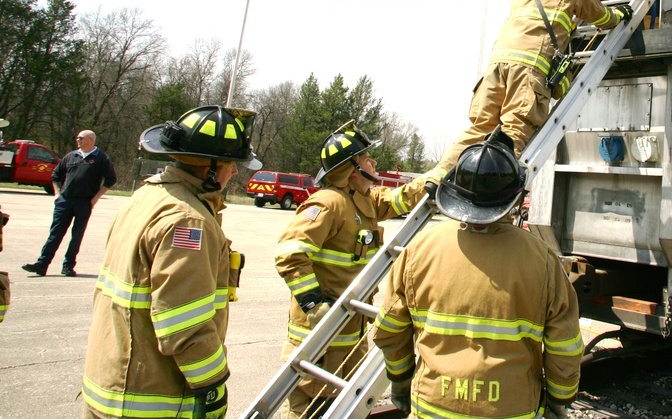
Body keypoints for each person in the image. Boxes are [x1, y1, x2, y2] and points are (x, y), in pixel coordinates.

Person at [374, 129, 584, 419]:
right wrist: (560, 400)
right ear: (514, 195)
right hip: (512, 411)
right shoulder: (543, 259)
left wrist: (400, 382)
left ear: (455, 191)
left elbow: (389, 329)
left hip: (432, 408)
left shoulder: (418, 249)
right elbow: (565, 344)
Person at [81, 105, 260, 419]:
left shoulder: (147, 196)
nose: (234, 172)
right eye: (232, 164)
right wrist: (213, 384)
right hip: (148, 396)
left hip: (111, 381)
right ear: (210, 169)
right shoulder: (189, 222)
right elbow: (183, 322)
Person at [431, 0, 631, 177]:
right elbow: (602, 18)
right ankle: (490, 190)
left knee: (480, 129)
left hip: (496, 68)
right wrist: (621, 14)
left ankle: (438, 176)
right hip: (527, 72)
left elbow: (539, 24)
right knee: (513, 134)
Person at [274, 121, 434, 419]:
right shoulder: (328, 203)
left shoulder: (364, 201)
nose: (374, 162)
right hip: (319, 338)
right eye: (366, 158)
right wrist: (314, 304)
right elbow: (290, 254)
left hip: (350, 337)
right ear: (352, 169)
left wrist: (438, 176)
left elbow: (401, 198)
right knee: (309, 410)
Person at [22, 129, 117, 277]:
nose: (77, 140)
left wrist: (95, 198)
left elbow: (111, 179)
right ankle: (42, 264)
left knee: (76, 235)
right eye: (78, 138)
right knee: (55, 234)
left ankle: (68, 266)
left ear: (91, 140)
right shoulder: (71, 156)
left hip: (84, 202)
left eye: (81, 138)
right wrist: (57, 194)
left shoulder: (101, 158)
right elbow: (55, 175)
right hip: (65, 201)